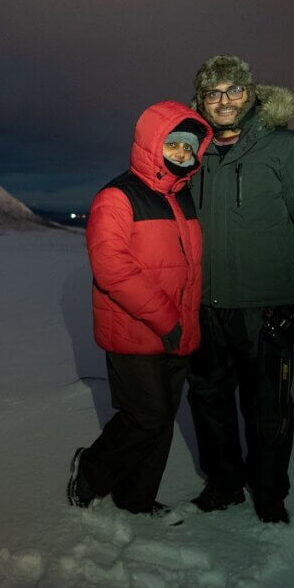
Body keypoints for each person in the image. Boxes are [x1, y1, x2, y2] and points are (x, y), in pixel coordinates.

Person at [185, 55, 294, 524]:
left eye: (233, 90)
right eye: (213, 92)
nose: (224, 100)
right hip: (204, 307)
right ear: (201, 101)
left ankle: (269, 492)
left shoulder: (288, 147)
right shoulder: (192, 153)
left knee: (268, 406)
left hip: (265, 306)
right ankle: (224, 483)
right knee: (208, 399)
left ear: (250, 94)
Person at [67, 100, 212, 522]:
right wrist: (167, 320)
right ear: (153, 143)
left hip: (178, 333)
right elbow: (112, 268)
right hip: (134, 330)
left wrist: (186, 325)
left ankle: (137, 497)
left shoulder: (182, 199)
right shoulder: (117, 197)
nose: (183, 155)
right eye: (174, 144)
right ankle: (90, 471)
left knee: (163, 420)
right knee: (146, 417)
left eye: (189, 148)